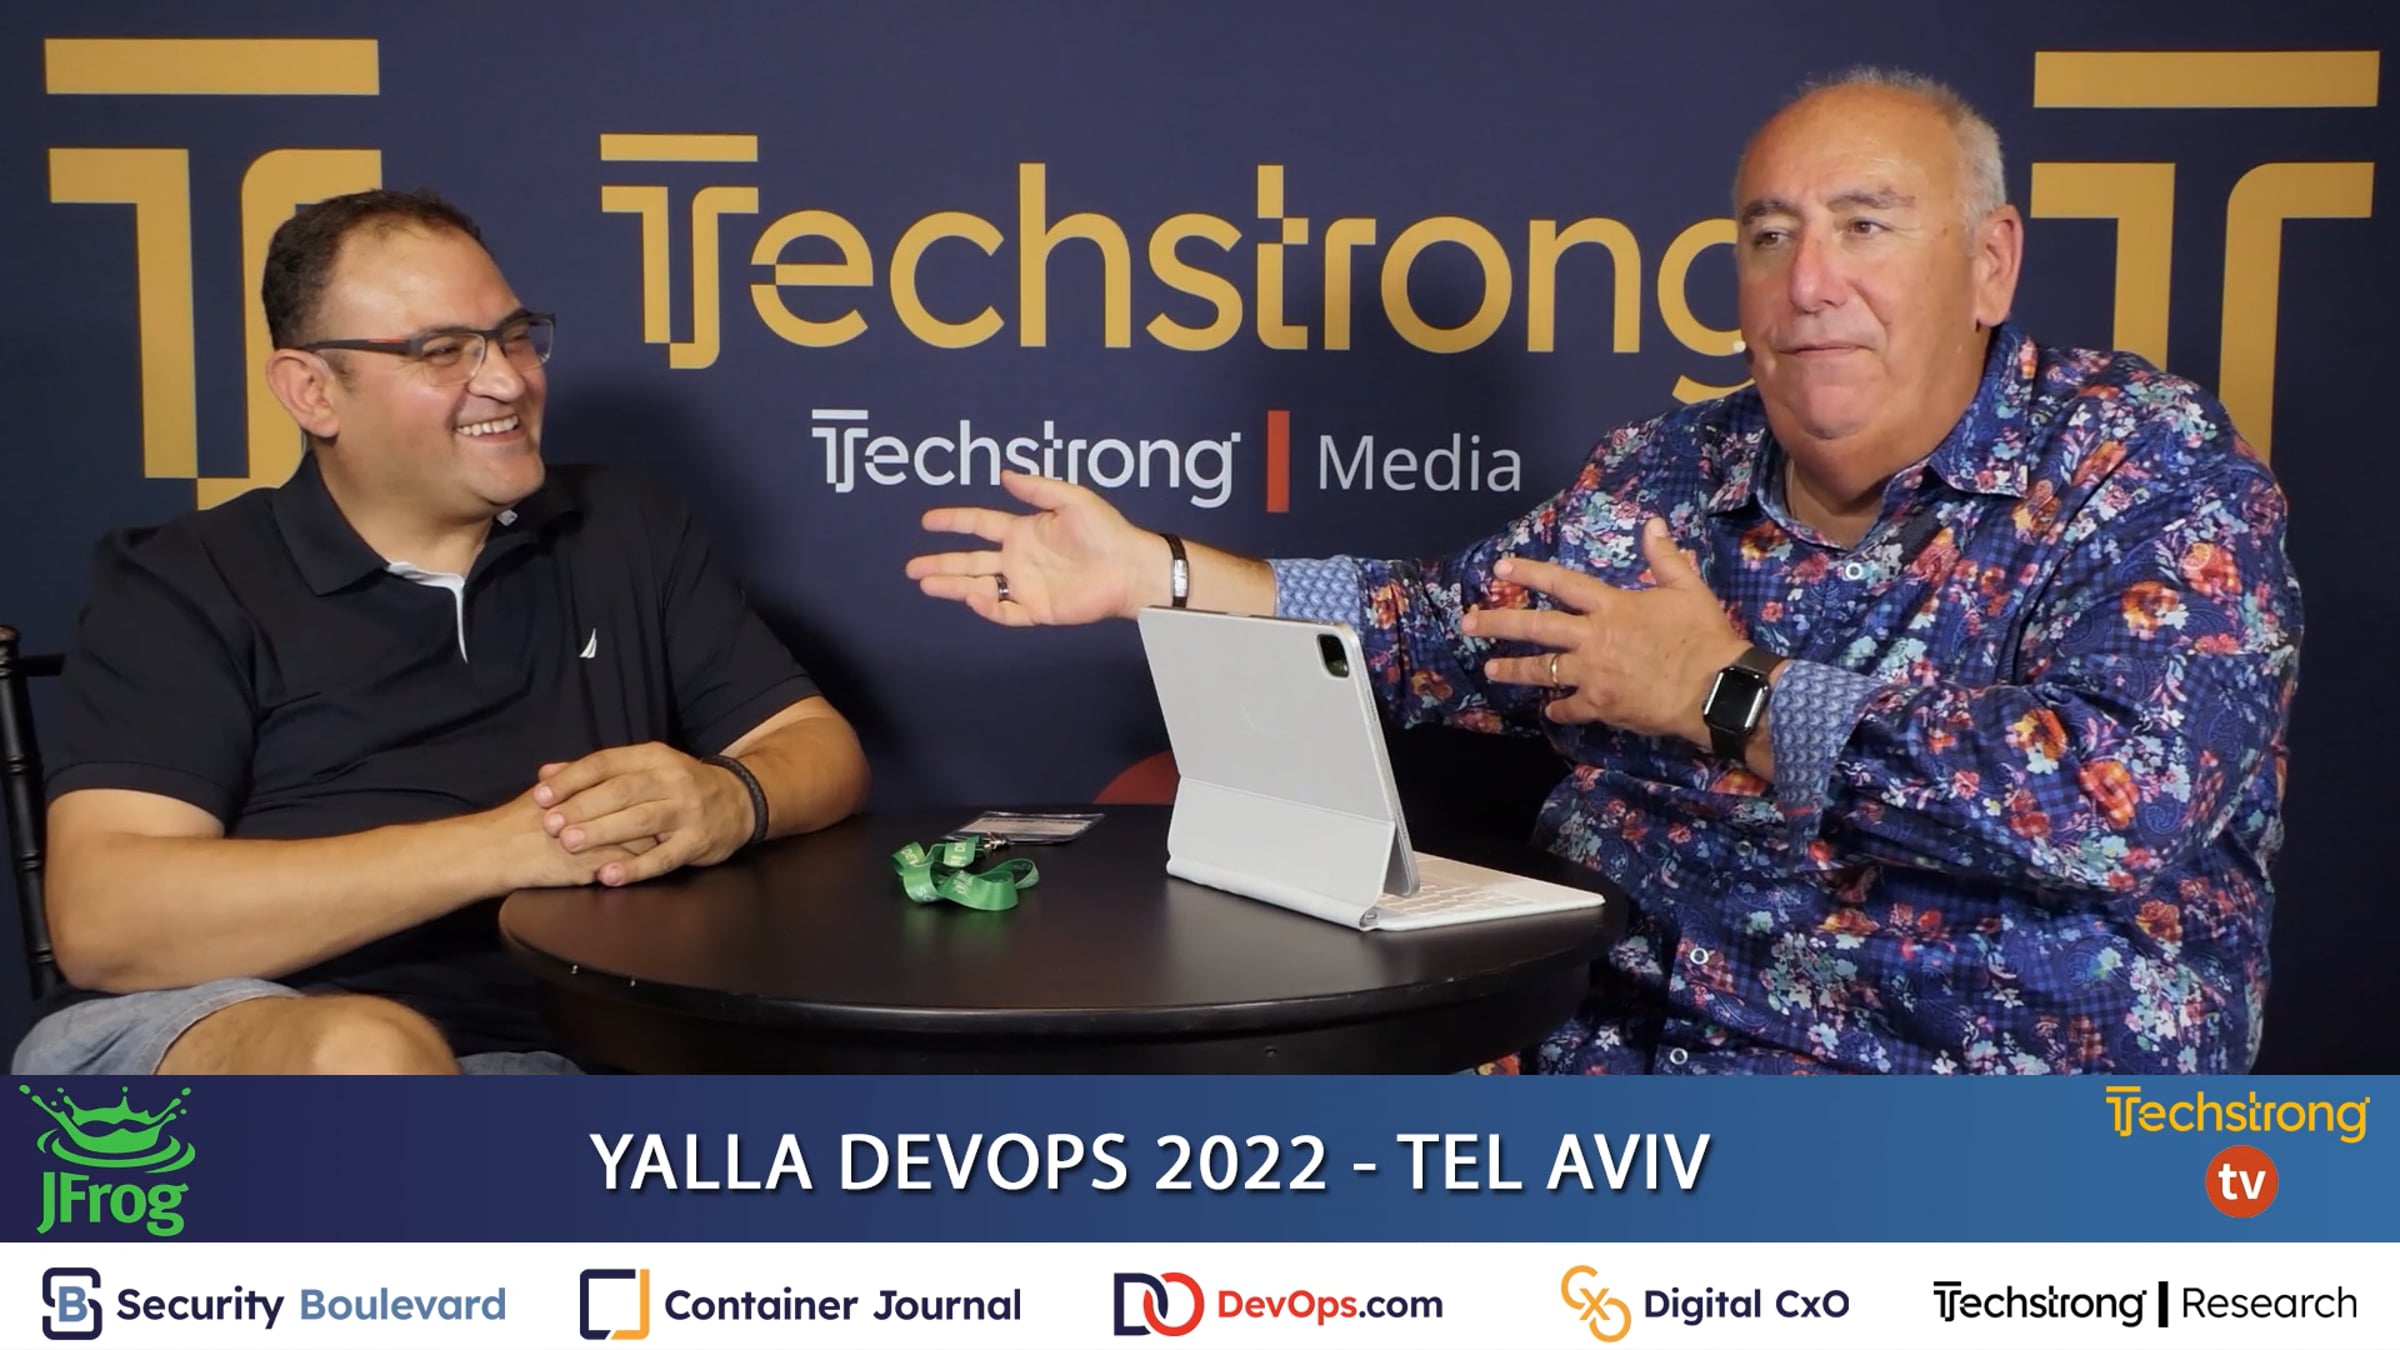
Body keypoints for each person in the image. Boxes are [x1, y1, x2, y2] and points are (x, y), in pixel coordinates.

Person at [906, 69, 2301, 1074]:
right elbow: (1448, 630)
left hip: (1966, 1131)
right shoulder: (1668, 470)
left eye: (1866, 225)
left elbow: (2108, 807)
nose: (1809, 281)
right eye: (1769, 235)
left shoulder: (2149, 468)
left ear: (1990, 264)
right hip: (1605, 1076)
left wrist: (1725, 693)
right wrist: (1159, 572)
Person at [14, 188, 870, 1075]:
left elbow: (814, 745)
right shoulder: (188, 580)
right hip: (225, 1033)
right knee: (367, 1057)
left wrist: (731, 798)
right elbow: (107, 923)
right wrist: (504, 846)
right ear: (312, 391)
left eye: (513, 336)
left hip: (554, 1061)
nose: (507, 380)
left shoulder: (623, 525)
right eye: (443, 351)